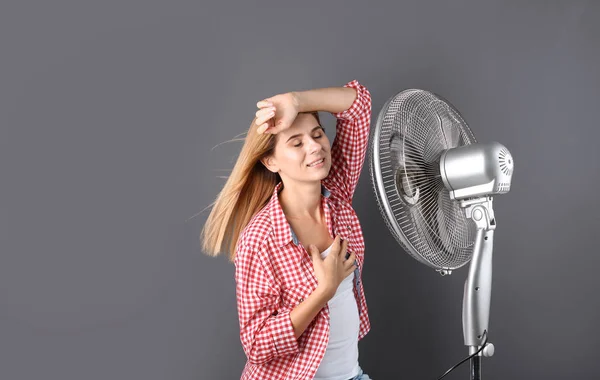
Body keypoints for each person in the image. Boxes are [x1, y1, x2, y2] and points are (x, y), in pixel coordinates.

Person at [201, 79, 373, 379]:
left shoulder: (338, 194)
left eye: (317, 134)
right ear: (270, 161)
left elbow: (358, 106)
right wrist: (324, 291)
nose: (315, 147)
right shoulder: (261, 238)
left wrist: (296, 102)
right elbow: (257, 345)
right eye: (296, 143)